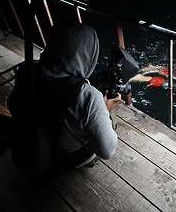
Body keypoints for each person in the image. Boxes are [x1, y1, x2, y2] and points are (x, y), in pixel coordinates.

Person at [8, 22, 120, 172]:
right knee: (110, 116)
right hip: (62, 161)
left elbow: (12, 104)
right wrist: (105, 109)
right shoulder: (89, 96)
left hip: (27, 149)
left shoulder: (26, 71)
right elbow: (107, 152)